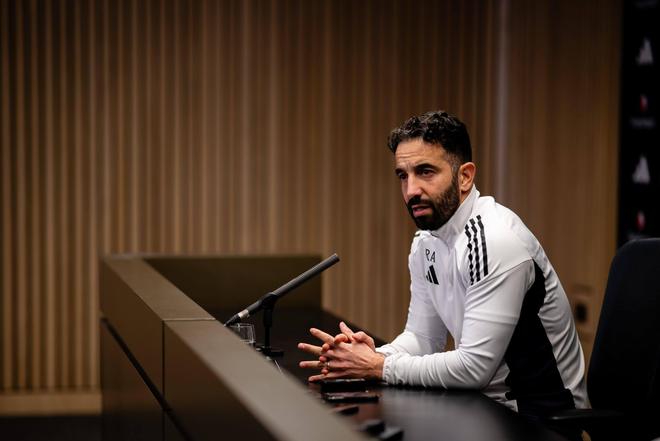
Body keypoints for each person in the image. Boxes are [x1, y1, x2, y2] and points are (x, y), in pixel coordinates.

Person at [298, 110, 588, 420]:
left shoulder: (494, 239)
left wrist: (378, 366)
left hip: (542, 418)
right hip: (483, 407)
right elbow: (423, 338)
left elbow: (474, 367)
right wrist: (364, 357)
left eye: (425, 172)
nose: (411, 191)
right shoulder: (426, 240)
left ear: (465, 177)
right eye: (403, 176)